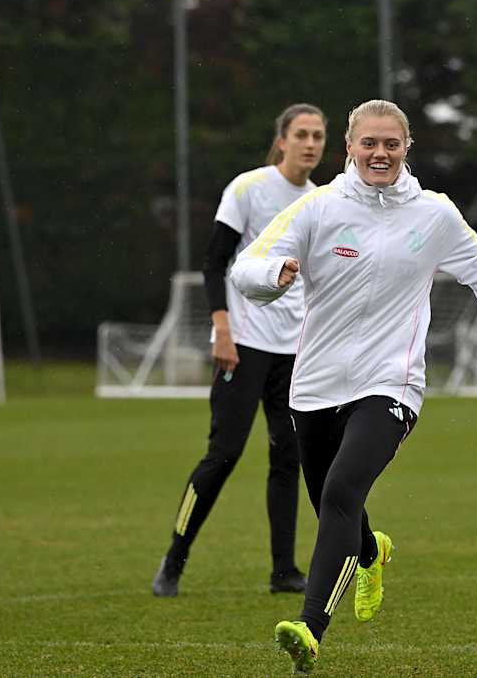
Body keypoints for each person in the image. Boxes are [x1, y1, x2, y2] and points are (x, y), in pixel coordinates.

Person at [230, 99, 477, 673]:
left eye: (391, 144)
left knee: (343, 491)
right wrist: (275, 275)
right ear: (349, 147)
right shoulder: (316, 208)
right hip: (315, 385)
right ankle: (371, 553)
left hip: (391, 384)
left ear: (407, 148)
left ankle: (310, 626)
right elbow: (248, 266)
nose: (380, 154)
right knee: (329, 503)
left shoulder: (434, 214)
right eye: (369, 143)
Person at [151, 104, 328, 597]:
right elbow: (214, 265)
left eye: (318, 135)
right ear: (282, 139)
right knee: (224, 454)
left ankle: (283, 571)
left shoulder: (319, 201)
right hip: (242, 346)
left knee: (287, 455)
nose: (310, 143)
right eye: (301, 134)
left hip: (293, 353)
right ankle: (175, 556)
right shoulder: (247, 188)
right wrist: (221, 331)